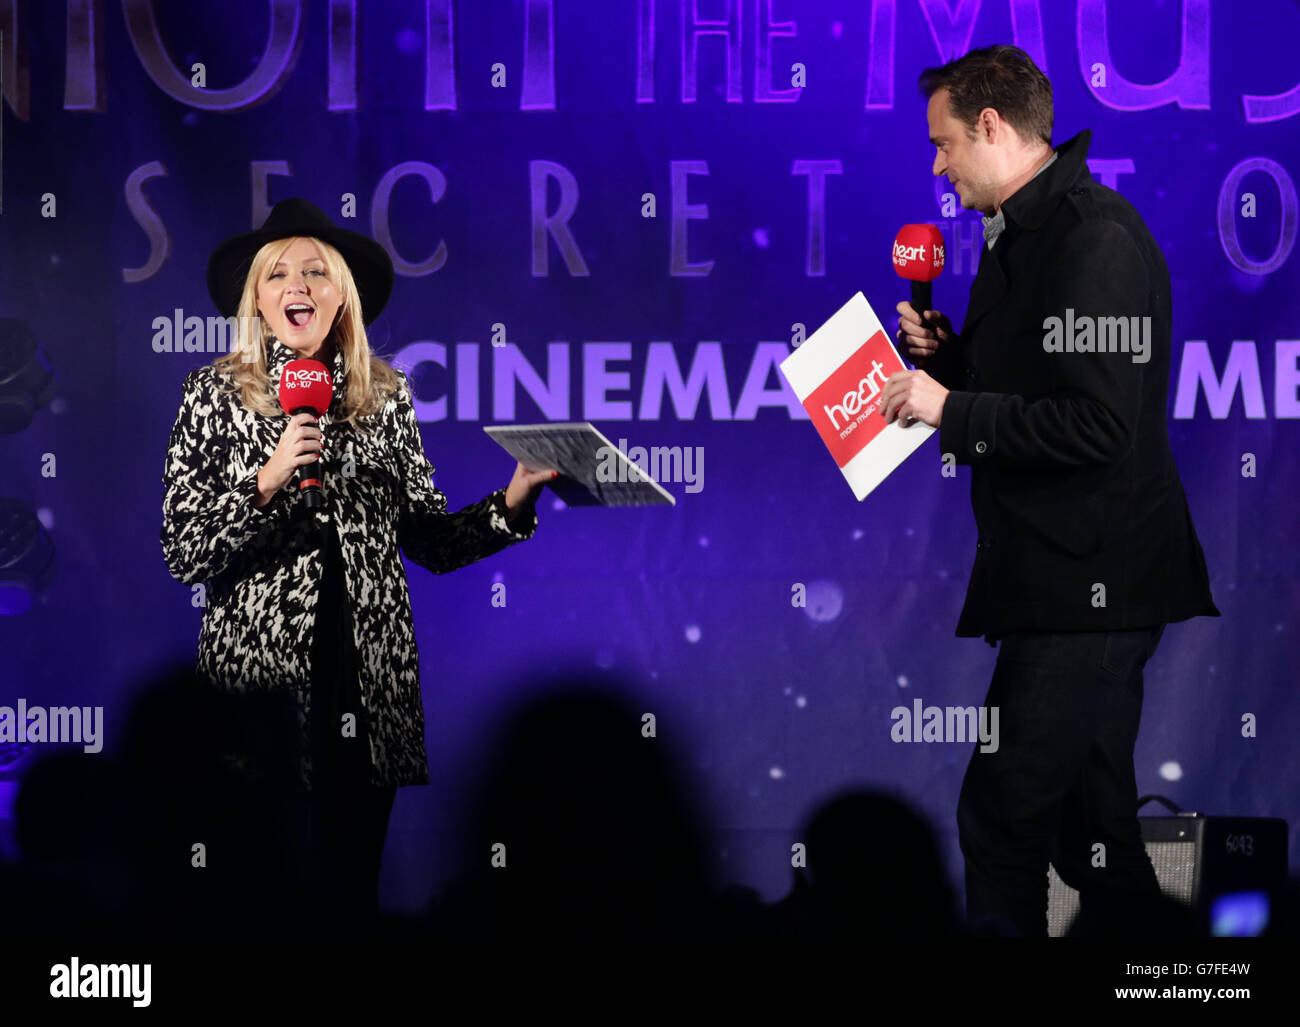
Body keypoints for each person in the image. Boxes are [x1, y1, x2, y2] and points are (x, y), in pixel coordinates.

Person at [882, 46, 1219, 936]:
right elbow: (1039, 385)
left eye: (943, 143)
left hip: (1092, 590)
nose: (936, 165)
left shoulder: (1093, 236)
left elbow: (1098, 426)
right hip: (1059, 586)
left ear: (991, 126)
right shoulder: (1024, 230)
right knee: (1094, 840)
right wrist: (950, 360)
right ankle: (1182, 983)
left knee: (1001, 820)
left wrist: (949, 407)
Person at [160, 198, 555, 923]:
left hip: (366, 685)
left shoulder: (385, 397)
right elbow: (183, 547)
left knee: (350, 898)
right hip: (261, 691)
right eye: (277, 274)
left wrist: (514, 499)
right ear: (257, 298)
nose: (296, 286)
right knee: (254, 902)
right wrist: (268, 478)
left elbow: (429, 541)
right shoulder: (214, 394)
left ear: (341, 293)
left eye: (316, 271)